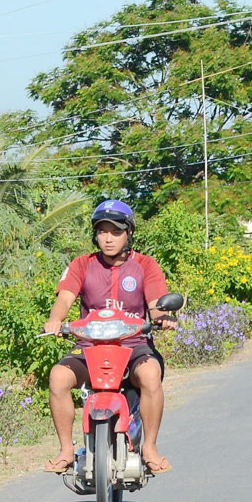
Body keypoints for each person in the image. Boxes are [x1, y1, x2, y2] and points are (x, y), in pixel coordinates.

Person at [42, 199, 176, 475]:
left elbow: (155, 304)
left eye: (115, 232)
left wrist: (162, 318)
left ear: (128, 233)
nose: (108, 238)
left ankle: (149, 447)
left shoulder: (146, 265)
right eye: (102, 231)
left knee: (151, 375)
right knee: (58, 377)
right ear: (95, 235)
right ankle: (66, 449)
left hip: (133, 346)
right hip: (89, 348)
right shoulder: (81, 265)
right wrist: (56, 320)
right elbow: (65, 297)